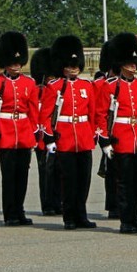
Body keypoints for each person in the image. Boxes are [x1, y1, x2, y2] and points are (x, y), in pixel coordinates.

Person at [96, 33, 137, 234]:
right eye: (128, 62)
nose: (133, 66)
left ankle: (135, 218)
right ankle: (125, 220)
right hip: (121, 139)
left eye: (134, 62)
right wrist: (104, 141)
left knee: (136, 183)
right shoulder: (109, 86)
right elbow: (102, 114)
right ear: (121, 63)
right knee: (123, 183)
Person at [40, 35, 97, 230]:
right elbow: (45, 115)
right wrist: (49, 138)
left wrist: (92, 135)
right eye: (69, 65)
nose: (73, 68)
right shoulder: (54, 87)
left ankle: (82, 214)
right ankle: (69, 216)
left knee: (84, 180)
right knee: (69, 180)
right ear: (62, 66)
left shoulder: (86, 87)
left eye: (76, 65)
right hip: (64, 138)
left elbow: (92, 114)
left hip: (83, 138)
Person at [0, 31, 39, 227]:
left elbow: (33, 111)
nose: (16, 65)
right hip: (5, 132)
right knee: (9, 175)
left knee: (22, 174)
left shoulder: (29, 83)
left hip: (23, 132)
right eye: (12, 61)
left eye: (18, 61)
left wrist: (34, 133)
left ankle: (20, 209)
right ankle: (10, 213)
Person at [30, 48, 61, 216]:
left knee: (58, 171)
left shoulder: (55, 89)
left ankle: (58, 201)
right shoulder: (36, 91)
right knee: (46, 171)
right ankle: (48, 203)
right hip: (42, 138)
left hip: (58, 136)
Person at [93, 40, 118, 219]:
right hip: (107, 129)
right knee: (111, 170)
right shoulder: (101, 84)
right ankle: (113, 205)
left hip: (122, 130)